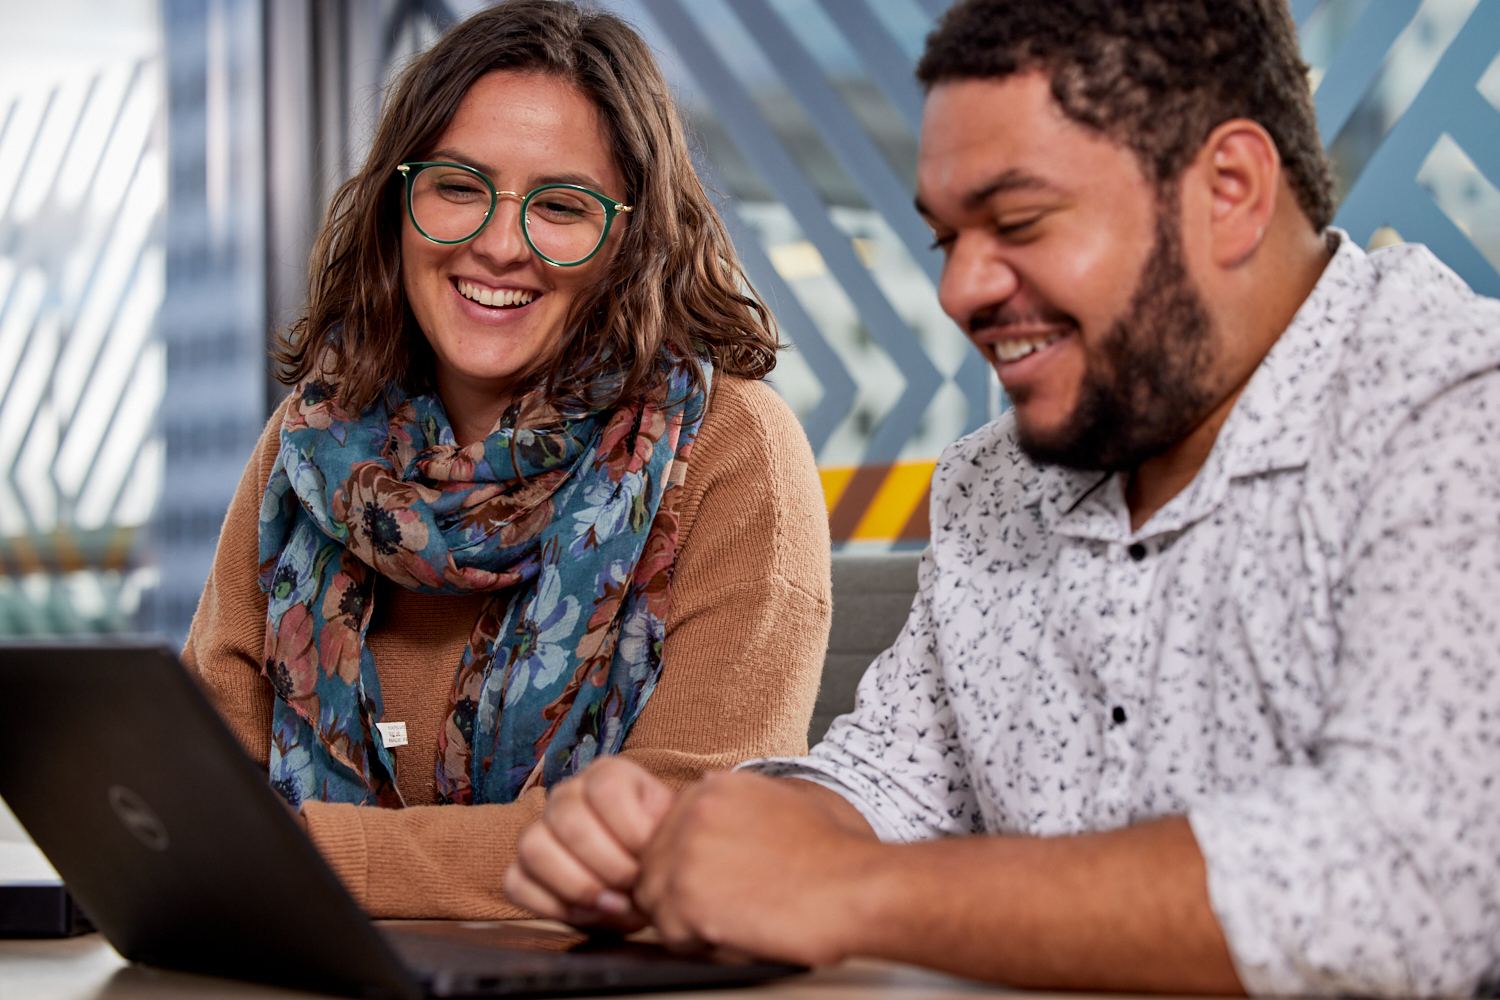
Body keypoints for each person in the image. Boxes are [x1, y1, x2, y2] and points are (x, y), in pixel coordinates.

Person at [504, 0, 1500, 994]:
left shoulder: (1457, 413)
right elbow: (885, 780)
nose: (961, 291)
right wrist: (700, 849)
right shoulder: (994, 482)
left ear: (1229, 189)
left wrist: (853, 888)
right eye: (947, 240)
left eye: (1018, 222)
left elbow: (1407, 887)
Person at [183, 0, 831, 920]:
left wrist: (307, 858)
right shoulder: (311, 439)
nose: (498, 243)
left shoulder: (734, 449)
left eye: (561, 206)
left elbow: (692, 835)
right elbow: (199, 788)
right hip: (305, 968)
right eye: (457, 185)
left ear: (631, 240)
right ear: (398, 201)